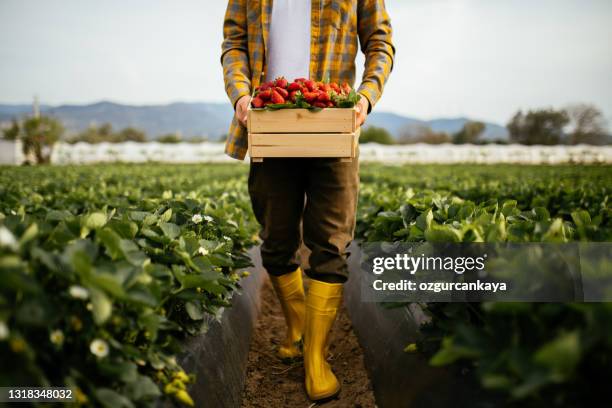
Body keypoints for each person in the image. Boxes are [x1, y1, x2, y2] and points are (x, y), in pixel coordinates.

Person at [221, 0, 394, 401]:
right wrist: (241, 95)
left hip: (333, 122)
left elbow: (380, 42)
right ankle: (298, 326)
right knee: (277, 240)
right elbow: (234, 43)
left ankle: (316, 357)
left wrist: (365, 98)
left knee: (331, 244)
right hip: (269, 121)